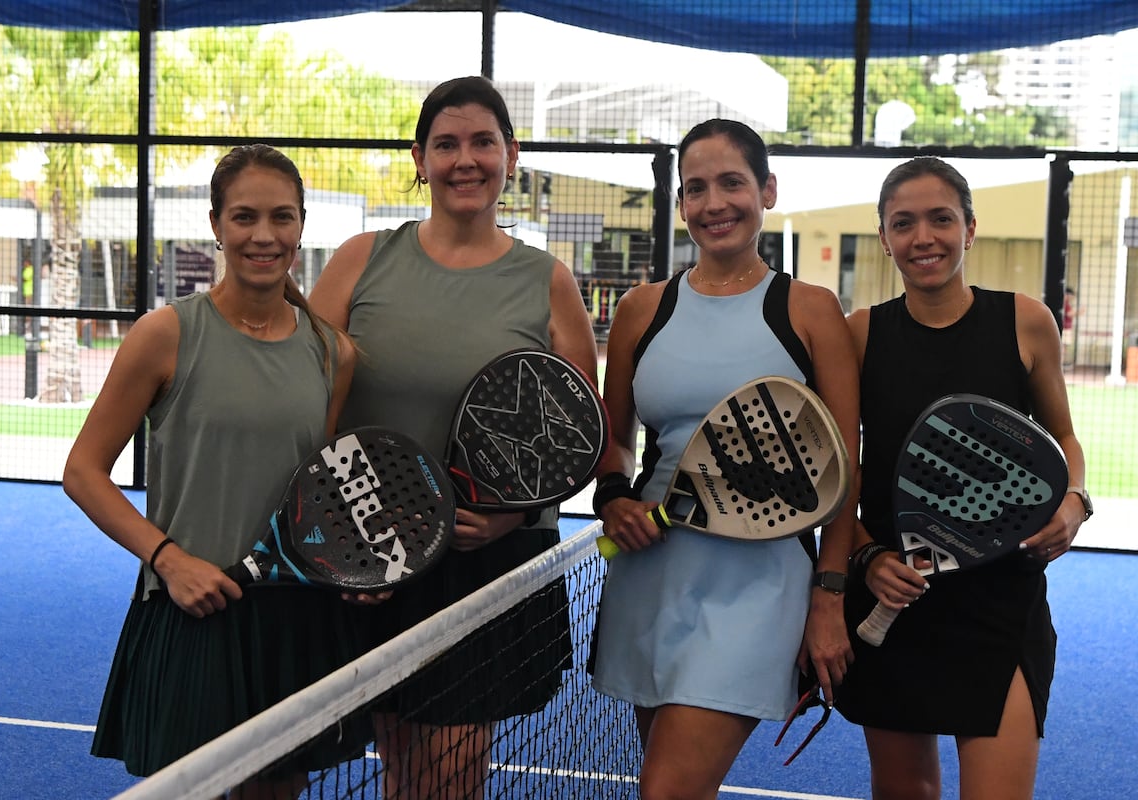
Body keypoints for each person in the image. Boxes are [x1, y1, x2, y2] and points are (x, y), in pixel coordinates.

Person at [308, 75, 598, 800]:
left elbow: (580, 434)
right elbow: (301, 398)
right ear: (419, 158)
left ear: (512, 154)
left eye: (482, 142)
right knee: (402, 768)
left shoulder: (548, 281)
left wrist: (507, 514)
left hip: (485, 564)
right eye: (446, 144)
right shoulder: (360, 259)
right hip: (373, 557)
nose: (464, 160)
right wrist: (344, 541)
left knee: (451, 780)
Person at [63, 144, 367, 796]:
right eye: (244, 217)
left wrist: (354, 564)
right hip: (190, 606)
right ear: (215, 224)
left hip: (292, 613)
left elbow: (321, 483)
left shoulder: (333, 353)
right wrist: (169, 560)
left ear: (302, 225)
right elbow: (84, 472)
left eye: (282, 217)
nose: (264, 235)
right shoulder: (165, 334)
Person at [589, 118, 861, 800]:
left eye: (732, 183)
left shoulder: (811, 310)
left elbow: (843, 473)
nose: (715, 204)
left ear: (767, 189)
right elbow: (614, 439)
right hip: (651, 577)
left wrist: (828, 600)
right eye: (696, 188)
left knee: (668, 790)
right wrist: (616, 496)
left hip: (761, 589)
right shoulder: (640, 310)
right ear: (681, 204)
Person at [834, 156, 1089, 800]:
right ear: (886, 237)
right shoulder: (860, 333)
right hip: (895, 597)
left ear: (970, 229)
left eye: (941, 219)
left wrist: (1076, 501)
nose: (924, 238)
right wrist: (867, 558)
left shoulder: (1026, 321)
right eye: (904, 223)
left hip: (1001, 600)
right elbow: (840, 475)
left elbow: (1063, 440)